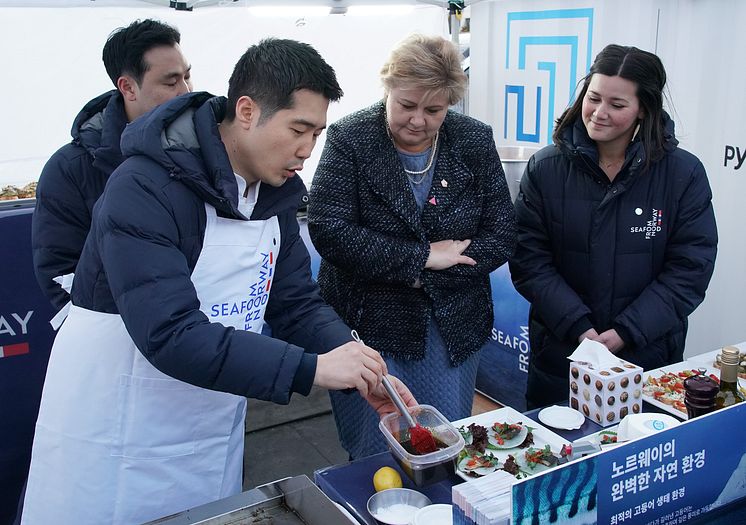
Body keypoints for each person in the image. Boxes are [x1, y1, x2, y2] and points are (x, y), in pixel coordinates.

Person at [21, 38, 414, 525]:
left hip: (206, 417)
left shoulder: (274, 195)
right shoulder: (143, 187)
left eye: (318, 133)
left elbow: (294, 303)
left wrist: (355, 362)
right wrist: (311, 369)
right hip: (118, 421)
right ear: (247, 111)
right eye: (299, 129)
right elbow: (170, 333)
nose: (308, 150)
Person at [307, 34, 516, 459]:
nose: (418, 120)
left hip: (450, 326)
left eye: (434, 110)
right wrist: (421, 259)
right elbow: (329, 229)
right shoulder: (351, 138)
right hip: (368, 328)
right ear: (387, 89)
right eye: (406, 105)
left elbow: (500, 233)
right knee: (375, 446)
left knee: (444, 441)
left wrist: (434, 276)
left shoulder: (472, 140)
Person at [508, 44, 718, 409]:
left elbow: (690, 268)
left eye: (617, 105)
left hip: (647, 354)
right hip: (562, 352)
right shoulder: (547, 167)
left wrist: (627, 331)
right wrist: (578, 326)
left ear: (643, 110)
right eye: (594, 98)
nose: (599, 114)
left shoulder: (682, 174)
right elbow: (529, 260)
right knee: (560, 453)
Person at [32, 19, 192, 313]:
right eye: (171, 82)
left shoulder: (202, 152)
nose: (186, 91)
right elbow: (60, 273)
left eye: (188, 76)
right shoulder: (71, 168)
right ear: (128, 87)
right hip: (118, 338)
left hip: (197, 329)